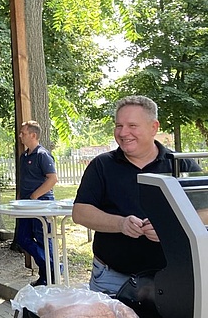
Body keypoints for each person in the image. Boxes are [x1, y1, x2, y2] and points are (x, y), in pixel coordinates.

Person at [73, 95, 201, 295]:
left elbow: (206, 211)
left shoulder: (180, 165)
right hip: (110, 279)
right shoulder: (102, 165)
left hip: (172, 279)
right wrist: (120, 224)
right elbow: (80, 212)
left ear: (153, 127)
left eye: (132, 125)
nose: (123, 133)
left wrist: (169, 229)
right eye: (119, 126)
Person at [16, 120, 58, 286]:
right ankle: (52, 268)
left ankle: (48, 275)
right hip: (26, 205)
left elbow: (53, 179)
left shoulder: (42, 155)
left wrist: (34, 196)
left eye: (23, 133)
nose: (20, 136)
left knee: (43, 239)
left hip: (42, 204)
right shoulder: (24, 156)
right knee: (23, 238)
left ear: (33, 135)